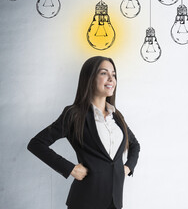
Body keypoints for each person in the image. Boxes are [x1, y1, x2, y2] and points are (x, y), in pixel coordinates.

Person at [28, 56, 140, 209]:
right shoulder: (74, 114)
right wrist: (70, 169)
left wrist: (127, 167)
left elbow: (134, 145)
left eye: (113, 74)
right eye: (104, 73)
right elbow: (36, 144)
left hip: (114, 202)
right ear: (90, 78)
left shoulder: (117, 116)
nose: (111, 79)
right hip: (85, 202)